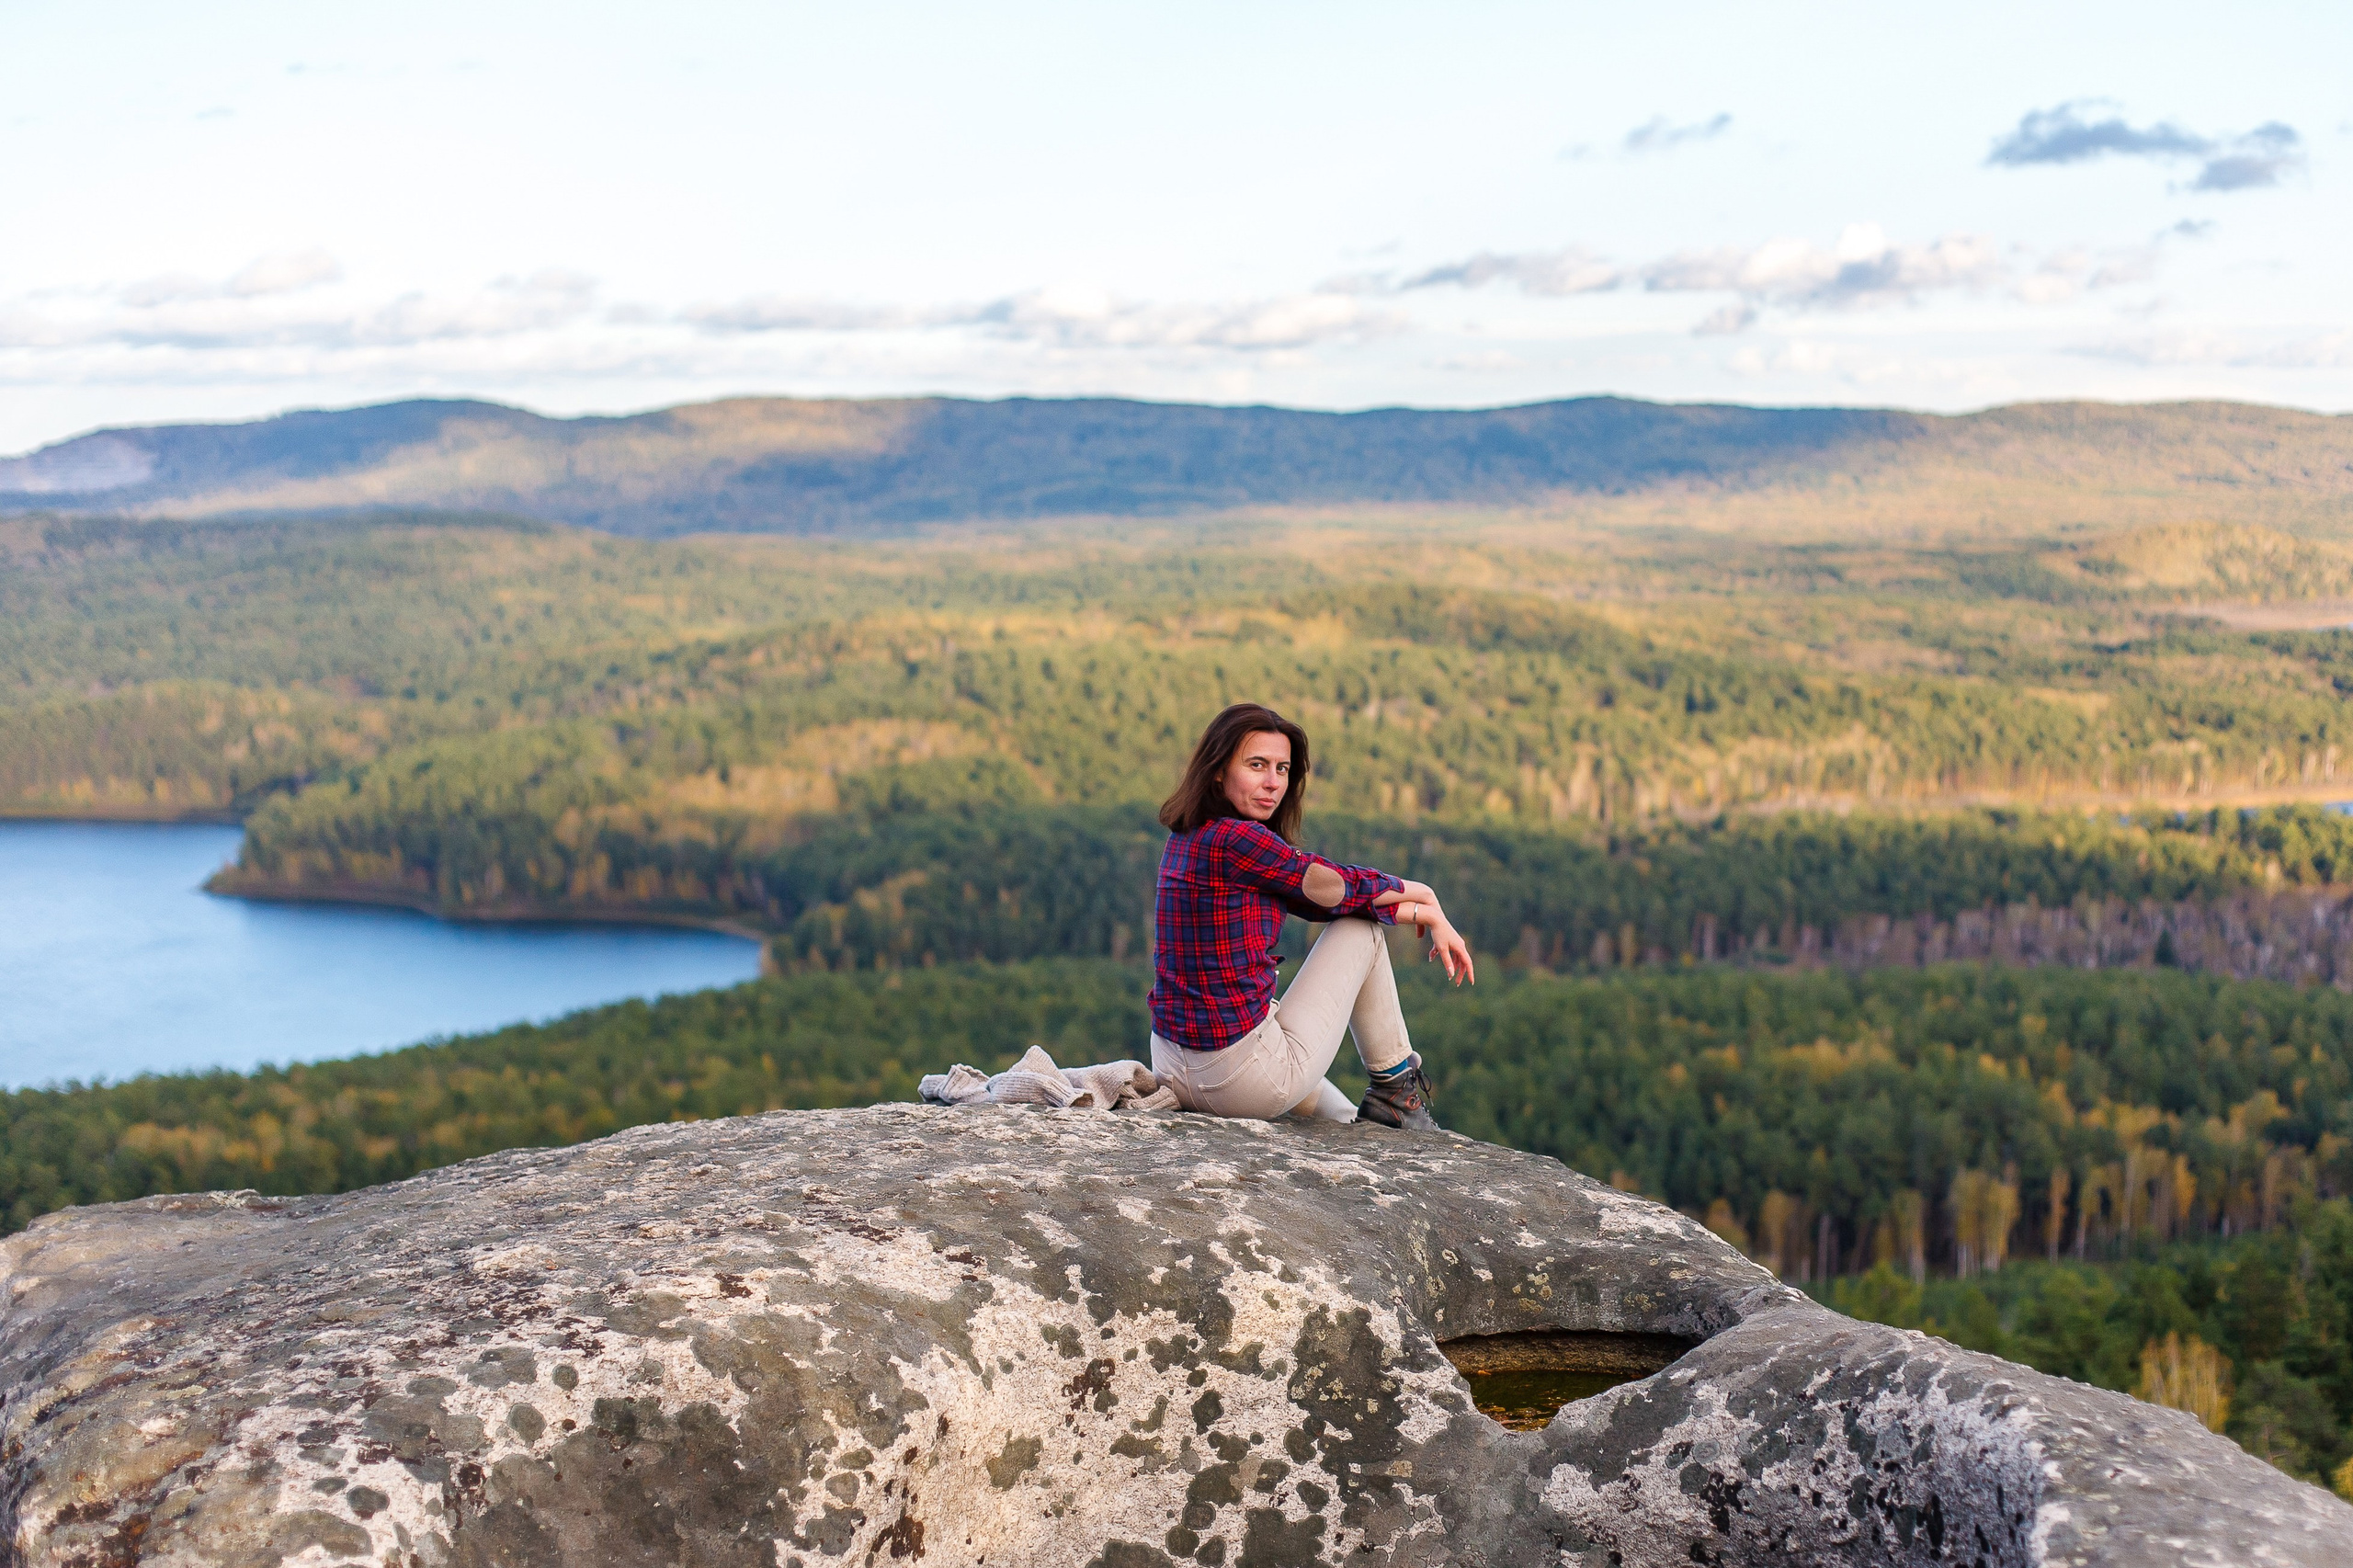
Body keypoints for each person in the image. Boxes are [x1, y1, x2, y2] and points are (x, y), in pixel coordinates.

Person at [1147, 702, 1473, 1131]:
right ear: (1218, 770)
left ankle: (1388, 1109)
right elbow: (1336, 886)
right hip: (1234, 1077)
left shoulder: (1191, 835)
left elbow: (1318, 899)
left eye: (1282, 769)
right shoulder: (1239, 838)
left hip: (1174, 1066)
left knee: (1343, 1119)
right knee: (1362, 932)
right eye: (1257, 765)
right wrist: (1427, 898)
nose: (1272, 783)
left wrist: (1415, 911)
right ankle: (1396, 1087)